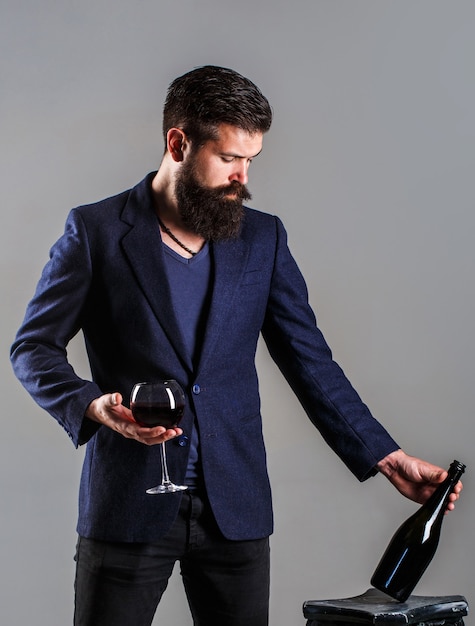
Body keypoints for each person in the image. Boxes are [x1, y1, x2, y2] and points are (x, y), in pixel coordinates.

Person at [10, 65, 462, 626]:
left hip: (236, 506)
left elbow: (309, 361)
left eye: (251, 161)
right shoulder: (96, 231)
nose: (242, 176)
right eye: (229, 158)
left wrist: (383, 455)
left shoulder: (262, 238)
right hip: (128, 501)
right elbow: (33, 347)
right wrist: (89, 405)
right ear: (178, 143)